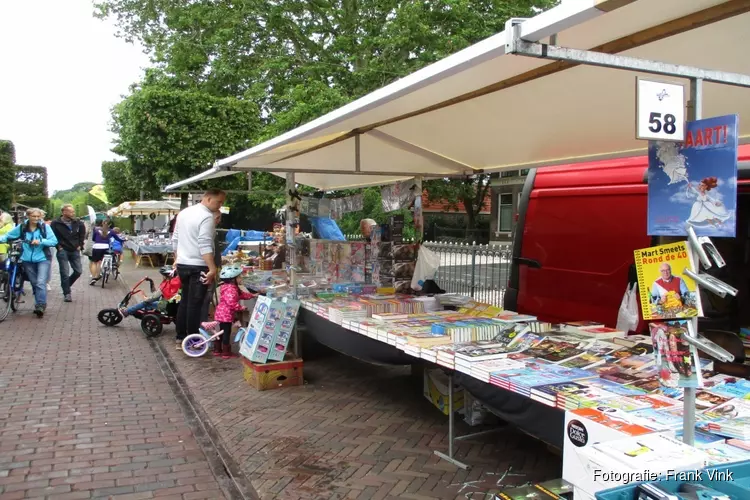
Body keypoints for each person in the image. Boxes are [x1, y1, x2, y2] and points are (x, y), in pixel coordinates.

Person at [172, 189, 226, 349]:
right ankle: (191, 339)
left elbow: (175, 239)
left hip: (183, 264)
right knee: (195, 304)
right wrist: (212, 268)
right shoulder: (206, 217)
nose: (220, 206)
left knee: (185, 301)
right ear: (208, 199)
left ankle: (180, 337)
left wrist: (177, 259)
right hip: (199, 266)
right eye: (219, 202)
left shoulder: (184, 213)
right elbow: (204, 244)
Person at [0, 207, 58, 317]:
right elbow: (8, 236)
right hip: (27, 260)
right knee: (34, 283)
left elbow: (54, 241)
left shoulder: (45, 228)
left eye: (38, 216)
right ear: (28, 216)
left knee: (41, 282)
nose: (36, 218)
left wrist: (41, 241)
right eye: (33, 216)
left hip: (43, 259)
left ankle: (40, 305)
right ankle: (39, 303)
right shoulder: (22, 227)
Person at [213, 264, 255, 359]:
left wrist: (252, 295)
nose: (241, 279)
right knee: (226, 332)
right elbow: (231, 303)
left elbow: (241, 295)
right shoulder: (231, 289)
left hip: (222, 313)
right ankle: (226, 352)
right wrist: (241, 307)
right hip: (225, 314)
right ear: (233, 279)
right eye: (239, 277)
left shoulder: (229, 287)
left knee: (222, 331)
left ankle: (217, 350)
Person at [50, 204, 86, 302]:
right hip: (63, 250)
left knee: (78, 271)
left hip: (75, 249)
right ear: (64, 212)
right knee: (64, 272)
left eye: (73, 211)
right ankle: (67, 293)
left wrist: (80, 245)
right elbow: (53, 236)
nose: (73, 213)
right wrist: (58, 247)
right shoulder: (55, 223)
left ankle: (65, 284)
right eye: (71, 212)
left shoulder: (78, 223)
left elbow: (82, 235)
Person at [89, 219, 124, 285]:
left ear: (102, 223)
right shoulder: (111, 231)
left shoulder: (96, 230)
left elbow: (93, 239)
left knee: (94, 262)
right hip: (105, 247)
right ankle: (97, 276)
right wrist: (124, 240)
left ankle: (93, 278)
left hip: (96, 247)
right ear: (110, 224)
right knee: (100, 262)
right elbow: (118, 239)